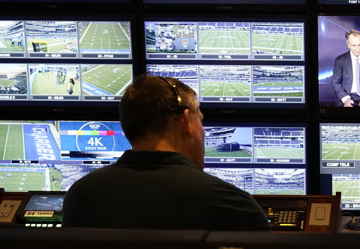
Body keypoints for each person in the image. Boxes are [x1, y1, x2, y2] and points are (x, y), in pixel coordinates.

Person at [62, 74, 270, 230]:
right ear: (186, 121)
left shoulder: (80, 195)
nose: (203, 131)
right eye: (200, 120)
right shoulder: (232, 205)